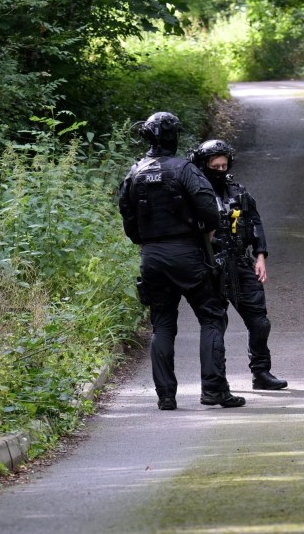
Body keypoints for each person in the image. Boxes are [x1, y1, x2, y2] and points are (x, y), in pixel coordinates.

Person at [118, 112, 245, 410]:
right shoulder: (185, 169)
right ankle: (214, 390)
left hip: (151, 255)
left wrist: (148, 241)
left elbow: (128, 221)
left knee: (161, 324)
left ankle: (165, 396)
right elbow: (210, 212)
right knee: (212, 316)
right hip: (187, 253)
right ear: (173, 137)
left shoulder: (134, 172)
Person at [190, 139, 288, 391]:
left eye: (224, 165)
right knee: (215, 324)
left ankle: (261, 372)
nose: (221, 170)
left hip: (241, 262)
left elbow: (255, 223)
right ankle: (217, 380)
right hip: (210, 264)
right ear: (204, 165)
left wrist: (261, 255)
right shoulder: (194, 194)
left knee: (260, 322)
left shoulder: (238, 191)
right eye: (215, 166)